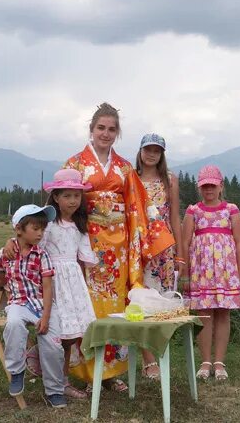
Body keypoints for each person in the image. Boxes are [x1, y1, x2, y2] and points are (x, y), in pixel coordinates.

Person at [63, 102, 175, 391]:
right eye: (101, 127)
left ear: (118, 132)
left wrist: (152, 236)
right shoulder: (75, 164)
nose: (106, 133)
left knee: (115, 305)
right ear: (91, 129)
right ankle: (89, 374)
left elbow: (138, 204)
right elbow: (64, 199)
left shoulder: (125, 167)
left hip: (120, 248)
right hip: (86, 242)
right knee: (89, 304)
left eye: (112, 129)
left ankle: (112, 374)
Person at [0, 204, 67, 408]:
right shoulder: (7, 254)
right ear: (19, 229)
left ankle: (54, 391)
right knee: (13, 324)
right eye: (35, 228)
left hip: (43, 304)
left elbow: (48, 288)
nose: (40, 233)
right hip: (19, 303)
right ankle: (16, 371)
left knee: (52, 345)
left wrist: (47, 316)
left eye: (42, 229)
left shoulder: (42, 255)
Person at [181, 165, 240, 381]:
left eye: (212, 185)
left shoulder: (231, 210)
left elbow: (239, 241)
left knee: (223, 314)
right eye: (205, 186)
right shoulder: (193, 211)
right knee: (204, 315)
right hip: (201, 271)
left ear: (221, 186)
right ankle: (206, 361)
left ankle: (219, 362)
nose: (209, 189)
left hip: (226, 272)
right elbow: (185, 241)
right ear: (200, 187)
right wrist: (186, 274)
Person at [40, 168, 98, 399]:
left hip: (73, 283)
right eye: (67, 196)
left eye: (76, 195)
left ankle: (62, 380)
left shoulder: (79, 225)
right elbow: (37, 249)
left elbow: (85, 256)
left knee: (71, 336)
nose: (73, 201)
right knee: (57, 333)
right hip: (53, 280)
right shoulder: (48, 225)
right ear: (55, 197)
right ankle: (54, 379)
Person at [135, 132, 182, 380]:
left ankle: (160, 352)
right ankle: (147, 359)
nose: (152, 154)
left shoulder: (170, 181)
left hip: (164, 249)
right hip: (139, 250)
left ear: (162, 154)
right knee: (141, 301)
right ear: (140, 151)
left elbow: (175, 217)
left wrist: (180, 255)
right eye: (148, 149)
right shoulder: (131, 179)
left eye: (157, 150)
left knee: (162, 303)